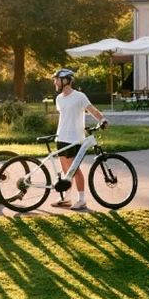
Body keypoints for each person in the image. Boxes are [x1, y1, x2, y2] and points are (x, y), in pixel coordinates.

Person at [51, 68, 107, 211]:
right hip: (61, 136)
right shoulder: (59, 98)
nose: (55, 82)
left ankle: (81, 199)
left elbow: (92, 110)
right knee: (65, 171)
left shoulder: (79, 96)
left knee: (74, 170)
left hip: (74, 138)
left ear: (65, 80)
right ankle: (66, 198)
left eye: (57, 79)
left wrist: (102, 119)